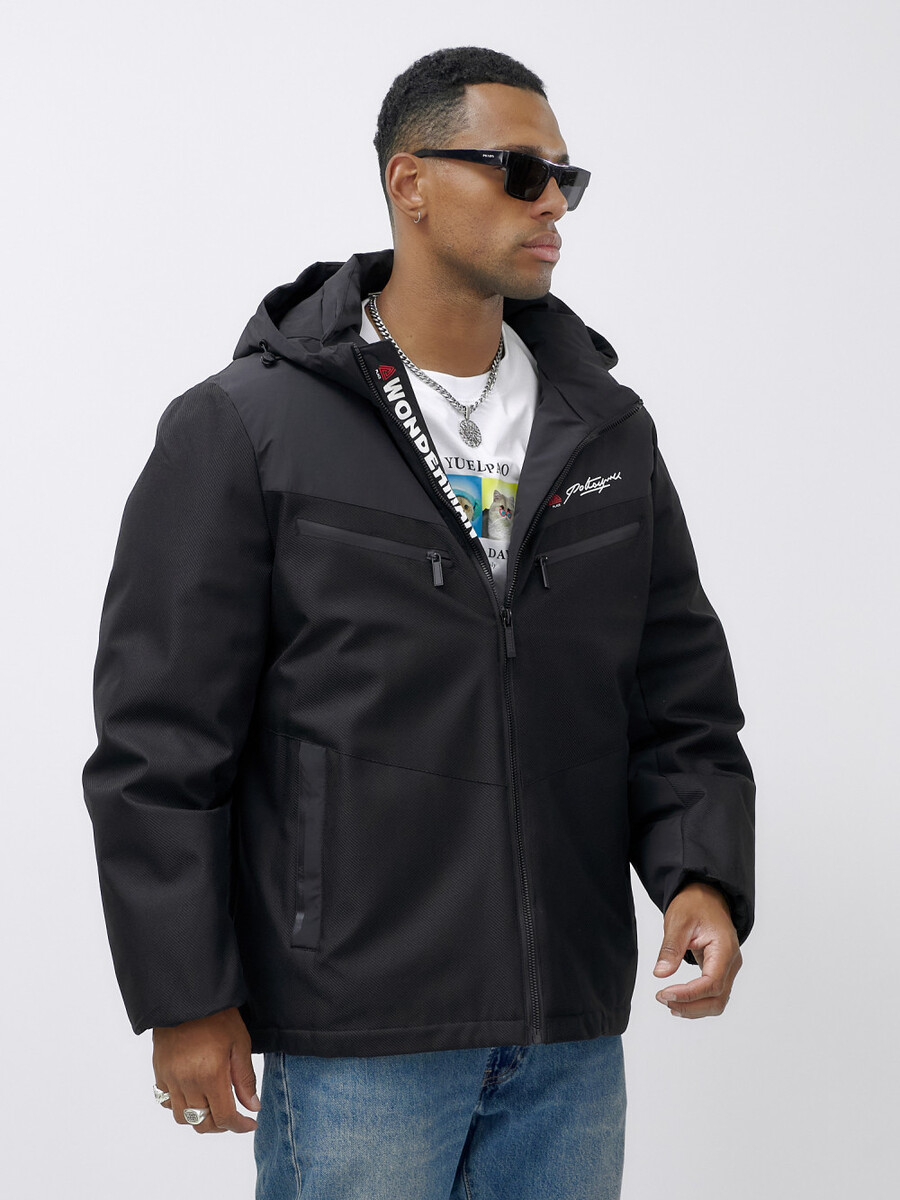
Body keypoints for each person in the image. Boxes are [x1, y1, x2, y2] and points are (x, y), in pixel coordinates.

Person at [83, 45, 755, 1200]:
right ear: (411, 183)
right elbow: (161, 741)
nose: (552, 205)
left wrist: (700, 873)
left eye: (566, 180)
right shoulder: (246, 428)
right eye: (520, 172)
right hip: (359, 1028)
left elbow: (677, 693)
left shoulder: (606, 430)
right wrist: (185, 993)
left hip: (566, 1029)